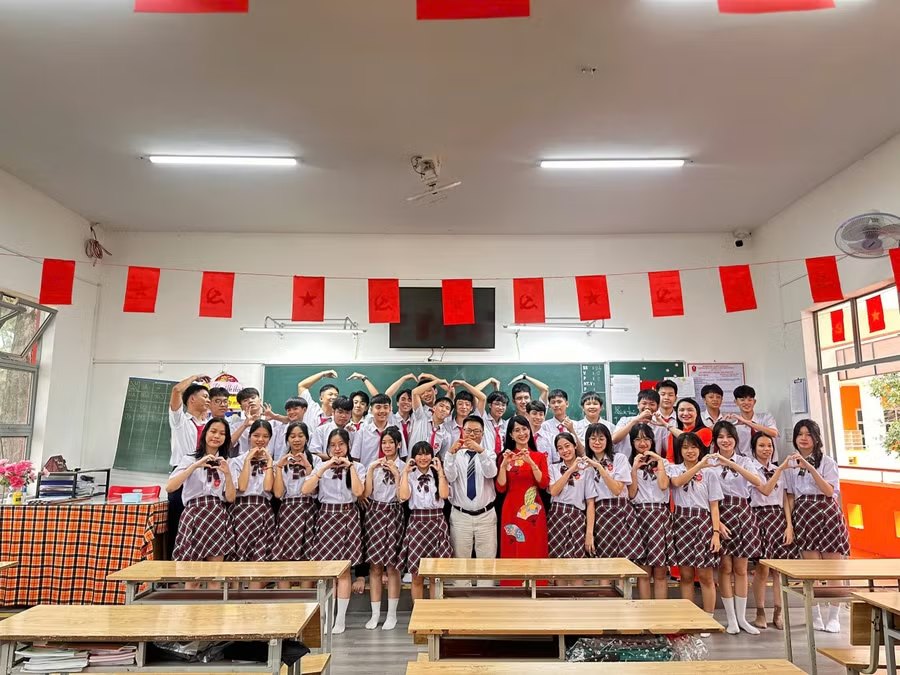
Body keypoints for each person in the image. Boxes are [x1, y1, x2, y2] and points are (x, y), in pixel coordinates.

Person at [784, 419, 850, 634]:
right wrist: (790, 524)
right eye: (799, 434)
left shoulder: (827, 462)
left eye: (808, 434)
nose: (803, 438)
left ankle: (834, 616)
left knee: (833, 569)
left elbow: (829, 491)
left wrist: (810, 467)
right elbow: (790, 496)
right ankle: (815, 615)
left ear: (816, 437)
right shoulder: (791, 464)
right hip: (804, 514)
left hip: (827, 512)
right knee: (811, 570)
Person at [302, 428, 365, 634]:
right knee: (328, 571)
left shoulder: (358, 467)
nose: (337, 449)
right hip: (327, 516)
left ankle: (340, 619)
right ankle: (326, 617)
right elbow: (306, 489)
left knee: (344, 571)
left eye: (341, 445)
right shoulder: (321, 467)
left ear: (348, 446)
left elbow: (359, 492)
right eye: (333, 445)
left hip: (348, 515)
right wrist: (324, 467)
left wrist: (350, 467)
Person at [708, 420, 764, 635]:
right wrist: (717, 523)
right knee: (725, 567)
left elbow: (757, 481)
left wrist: (730, 463)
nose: (725, 441)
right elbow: (707, 495)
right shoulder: (709, 462)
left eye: (729, 437)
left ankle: (742, 619)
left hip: (742, 512)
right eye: (721, 437)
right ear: (715, 440)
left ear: (736, 439)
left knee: (741, 569)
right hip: (720, 513)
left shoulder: (744, 460)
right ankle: (731, 619)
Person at [666, 432, 723, 623]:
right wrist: (699, 465)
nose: (690, 451)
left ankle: (708, 618)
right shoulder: (674, 469)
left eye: (693, 447)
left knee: (706, 575)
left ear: (700, 449)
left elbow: (714, 505)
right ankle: (688, 618)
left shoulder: (710, 473)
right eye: (685, 447)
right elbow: (677, 482)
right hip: (681, 522)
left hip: (703, 522)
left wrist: (716, 533)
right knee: (686, 575)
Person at [166, 418, 235, 566]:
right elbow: (170, 487)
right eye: (213, 431)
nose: (217, 436)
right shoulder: (189, 459)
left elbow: (230, 498)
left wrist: (227, 474)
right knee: (189, 569)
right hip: (193, 513)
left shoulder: (227, 462)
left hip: (216, 514)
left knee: (215, 570)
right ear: (205, 434)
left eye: (222, 433)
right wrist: (195, 466)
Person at [749, 431, 797, 630]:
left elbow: (784, 499)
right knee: (762, 569)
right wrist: (781, 469)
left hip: (778, 518)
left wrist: (789, 525)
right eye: (761, 445)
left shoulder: (779, 469)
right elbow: (766, 489)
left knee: (778, 570)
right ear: (754, 448)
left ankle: (779, 612)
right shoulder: (750, 468)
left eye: (769, 445)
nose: (766, 449)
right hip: (758, 517)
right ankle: (760, 611)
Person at [443, 415, 498, 586]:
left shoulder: (489, 453)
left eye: (476, 431)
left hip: (486, 515)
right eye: (468, 431)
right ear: (462, 431)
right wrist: (450, 454)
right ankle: (461, 598)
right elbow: (450, 476)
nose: (472, 435)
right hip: (461, 516)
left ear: (483, 433)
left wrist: (480, 452)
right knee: (460, 561)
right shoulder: (454, 454)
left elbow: (491, 473)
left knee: (487, 562)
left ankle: (486, 598)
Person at [398, 441, 452, 601]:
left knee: (436, 574)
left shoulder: (438, 474)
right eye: (419, 454)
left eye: (427, 454)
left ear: (432, 456)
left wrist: (440, 472)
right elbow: (403, 496)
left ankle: (435, 611)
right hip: (417, 522)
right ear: (413, 457)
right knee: (417, 574)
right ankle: (418, 611)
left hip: (437, 521)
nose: (423, 458)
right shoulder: (410, 475)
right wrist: (405, 473)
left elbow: (444, 495)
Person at [363, 427, 405, 630]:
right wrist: (371, 470)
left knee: (392, 566)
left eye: (391, 442)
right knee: (375, 566)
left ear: (398, 444)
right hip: (375, 513)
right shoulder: (374, 465)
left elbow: (403, 497)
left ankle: (392, 614)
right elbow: (366, 494)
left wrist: (397, 474)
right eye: (384, 443)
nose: (387, 446)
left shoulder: (404, 466)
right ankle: (375, 614)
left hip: (395, 512)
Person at [496, 416, 549, 579]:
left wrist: (531, 463)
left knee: (534, 546)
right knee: (513, 546)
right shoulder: (505, 457)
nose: (522, 433)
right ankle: (512, 587)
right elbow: (501, 487)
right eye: (517, 430)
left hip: (533, 509)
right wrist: (503, 465)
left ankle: (537, 587)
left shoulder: (539, 456)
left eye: (524, 429)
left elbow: (543, 483)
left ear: (530, 431)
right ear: (511, 435)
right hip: (511, 510)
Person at [584, 423, 643, 563]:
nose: (597, 442)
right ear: (587, 441)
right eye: (593, 438)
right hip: (601, 514)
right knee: (604, 562)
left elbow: (617, 490)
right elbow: (590, 501)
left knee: (625, 562)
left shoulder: (619, 458)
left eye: (601, 438)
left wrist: (600, 468)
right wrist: (589, 533)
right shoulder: (585, 465)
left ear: (608, 440)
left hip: (622, 510)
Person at [167, 374, 212, 556]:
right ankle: (175, 566)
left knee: (202, 524)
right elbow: (177, 390)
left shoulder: (210, 425)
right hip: (182, 474)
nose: (208, 400)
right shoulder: (180, 421)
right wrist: (195, 377)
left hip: (204, 475)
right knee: (178, 522)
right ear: (192, 399)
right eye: (205, 396)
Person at [627, 422, 672, 600]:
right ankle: (645, 611)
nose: (642, 443)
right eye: (637, 439)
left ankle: (660, 610)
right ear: (632, 442)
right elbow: (631, 494)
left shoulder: (663, 463)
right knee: (643, 571)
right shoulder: (629, 464)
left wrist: (659, 461)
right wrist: (634, 468)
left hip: (660, 515)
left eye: (646, 439)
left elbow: (663, 485)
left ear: (652, 441)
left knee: (660, 571)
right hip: (640, 516)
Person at [272, 422, 320, 580]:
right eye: (292, 436)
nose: (297, 440)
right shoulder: (280, 462)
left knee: (308, 555)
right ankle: (284, 594)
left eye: (300, 436)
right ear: (287, 439)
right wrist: (279, 468)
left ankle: (306, 594)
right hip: (287, 510)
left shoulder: (316, 461)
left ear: (307, 438)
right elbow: (278, 493)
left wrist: (308, 467)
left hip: (308, 509)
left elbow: (314, 490)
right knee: (284, 555)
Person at [547, 432, 596, 575]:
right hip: (556, 516)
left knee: (577, 564)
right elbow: (554, 491)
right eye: (560, 448)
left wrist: (589, 533)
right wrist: (570, 470)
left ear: (575, 446)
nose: (565, 450)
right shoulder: (553, 468)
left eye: (567, 446)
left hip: (577, 516)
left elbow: (590, 502)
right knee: (557, 565)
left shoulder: (587, 469)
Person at [229, 421, 276, 574]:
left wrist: (269, 462)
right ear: (249, 437)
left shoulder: (273, 463)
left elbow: (268, 488)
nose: (260, 440)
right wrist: (248, 460)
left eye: (265, 436)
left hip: (263, 510)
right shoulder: (237, 461)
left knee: (260, 559)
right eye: (256, 435)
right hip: (241, 510)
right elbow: (242, 487)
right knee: (238, 557)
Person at [351, 394, 408, 465]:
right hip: (367, 471)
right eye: (378, 407)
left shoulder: (397, 431)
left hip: (391, 471)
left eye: (385, 407)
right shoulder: (362, 432)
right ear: (371, 410)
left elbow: (403, 456)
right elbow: (355, 458)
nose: (382, 411)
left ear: (390, 409)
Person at [612, 389, 668, 456]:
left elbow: (668, 449)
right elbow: (614, 439)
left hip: (651, 461)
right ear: (638, 405)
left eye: (652, 404)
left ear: (657, 407)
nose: (647, 407)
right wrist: (635, 421)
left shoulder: (660, 426)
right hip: (625, 462)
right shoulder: (625, 420)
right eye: (644, 403)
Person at [728, 385, 779, 458]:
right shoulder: (735, 426)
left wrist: (747, 422)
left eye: (750, 400)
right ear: (736, 402)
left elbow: (774, 433)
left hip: (769, 461)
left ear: (754, 401)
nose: (746, 403)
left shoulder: (766, 417)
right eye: (742, 400)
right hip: (746, 462)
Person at [665, 398, 712, 462]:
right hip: (678, 468)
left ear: (697, 413)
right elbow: (670, 458)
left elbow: (690, 439)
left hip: (701, 467)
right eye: (681, 410)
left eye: (690, 410)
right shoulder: (673, 433)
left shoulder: (706, 431)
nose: (685, 413)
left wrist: (666, 424)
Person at [409, 392, 453, 460]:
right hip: (412, 463)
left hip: (430, 465)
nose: (443, 409)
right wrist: (436, 383)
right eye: (441, 406)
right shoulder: (421, 418)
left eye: (447, 408)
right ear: (434, 408)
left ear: (449, 414)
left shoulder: (446, 435)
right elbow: (415, 393)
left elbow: (443, 458)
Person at [309, 396, 355, 460]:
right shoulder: (321, 430)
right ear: (333, 412)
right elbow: (313, 453)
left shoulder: (353, 432)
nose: (343, 416)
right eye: (340, 412)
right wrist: (333, 457)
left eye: (347, 413)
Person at [540, 389, 584, 455]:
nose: (556, 405)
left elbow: (582, 452)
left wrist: (572, 430)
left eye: (559, 402)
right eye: (553, 402)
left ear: (567, 404)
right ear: (549, 406)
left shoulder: (577, 425)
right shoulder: (544, 426)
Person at [229, 387, 263, 456]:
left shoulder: (273, 423)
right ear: (241, 407)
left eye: (253, 398)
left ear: (260, 401)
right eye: (245, 400)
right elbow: (228, 446)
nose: (250, 401)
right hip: (243, 460)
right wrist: (244, 426)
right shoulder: (236, 426)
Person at [481, 390, 510, 456]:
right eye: (497, 404)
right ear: (490, 405)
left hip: (502, 460)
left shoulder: (505, 424)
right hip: (485, 459)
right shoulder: (482, 419)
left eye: (503, 405)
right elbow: (478, 396)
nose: (500, 408)